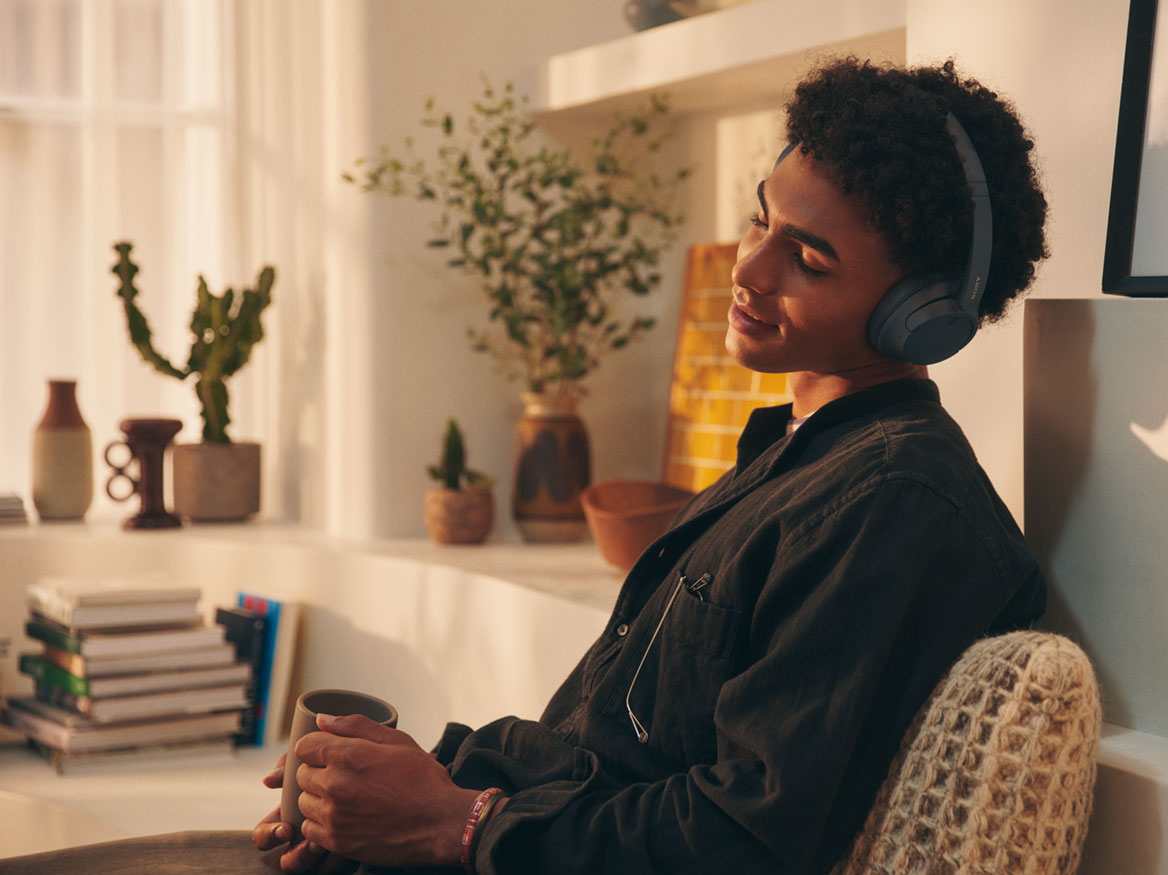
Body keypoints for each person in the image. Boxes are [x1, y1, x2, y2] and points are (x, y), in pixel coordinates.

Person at [2, 56, 1048, 875]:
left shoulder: (894, 506)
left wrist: (453, 823)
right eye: (760, 219)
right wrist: (413, 774)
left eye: (808, 260)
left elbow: (740, 842)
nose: (752, 266)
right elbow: (611, 751)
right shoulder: (796, 457)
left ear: (925, 315)